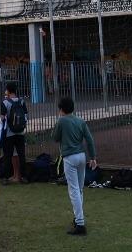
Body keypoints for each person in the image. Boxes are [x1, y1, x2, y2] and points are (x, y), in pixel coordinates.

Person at [50, 96, 97, 236]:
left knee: (74, 190)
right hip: (82, 156)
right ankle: (78, 218)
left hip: (69, 157)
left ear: (61, 109)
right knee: (79, 189)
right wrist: (93, 157)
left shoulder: (62, 121)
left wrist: (58, 122)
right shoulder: (80, 121)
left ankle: (80, 223)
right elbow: (89, 139)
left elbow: (55, 137)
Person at [0, 82, 28, 184]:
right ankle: (23, 176)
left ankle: (6, 178)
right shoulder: (22, 101)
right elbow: (25, 115)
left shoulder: (5, 102)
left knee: (8, 155)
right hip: (20, 132)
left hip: (9, 133)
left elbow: (2, 118)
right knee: (21, 154)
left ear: (8, 91)